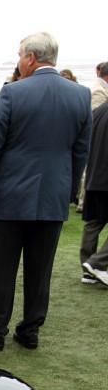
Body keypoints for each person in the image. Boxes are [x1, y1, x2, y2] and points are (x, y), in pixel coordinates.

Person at [0, 31, 91, 350]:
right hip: (52, 196)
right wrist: (66, 192)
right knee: (40, 269)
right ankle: (30, 330)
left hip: (9, 196)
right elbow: (81, 152)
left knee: (1, 267)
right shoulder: (80, 95)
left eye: (20, 56)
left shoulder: (13, 93)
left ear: (30, 58)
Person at [79, 102, 108, 285]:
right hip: (104, 175)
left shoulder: (97, 111)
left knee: (94, 221)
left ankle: (88, 269)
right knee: (95, 221)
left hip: (94, 175)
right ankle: (96, 263)